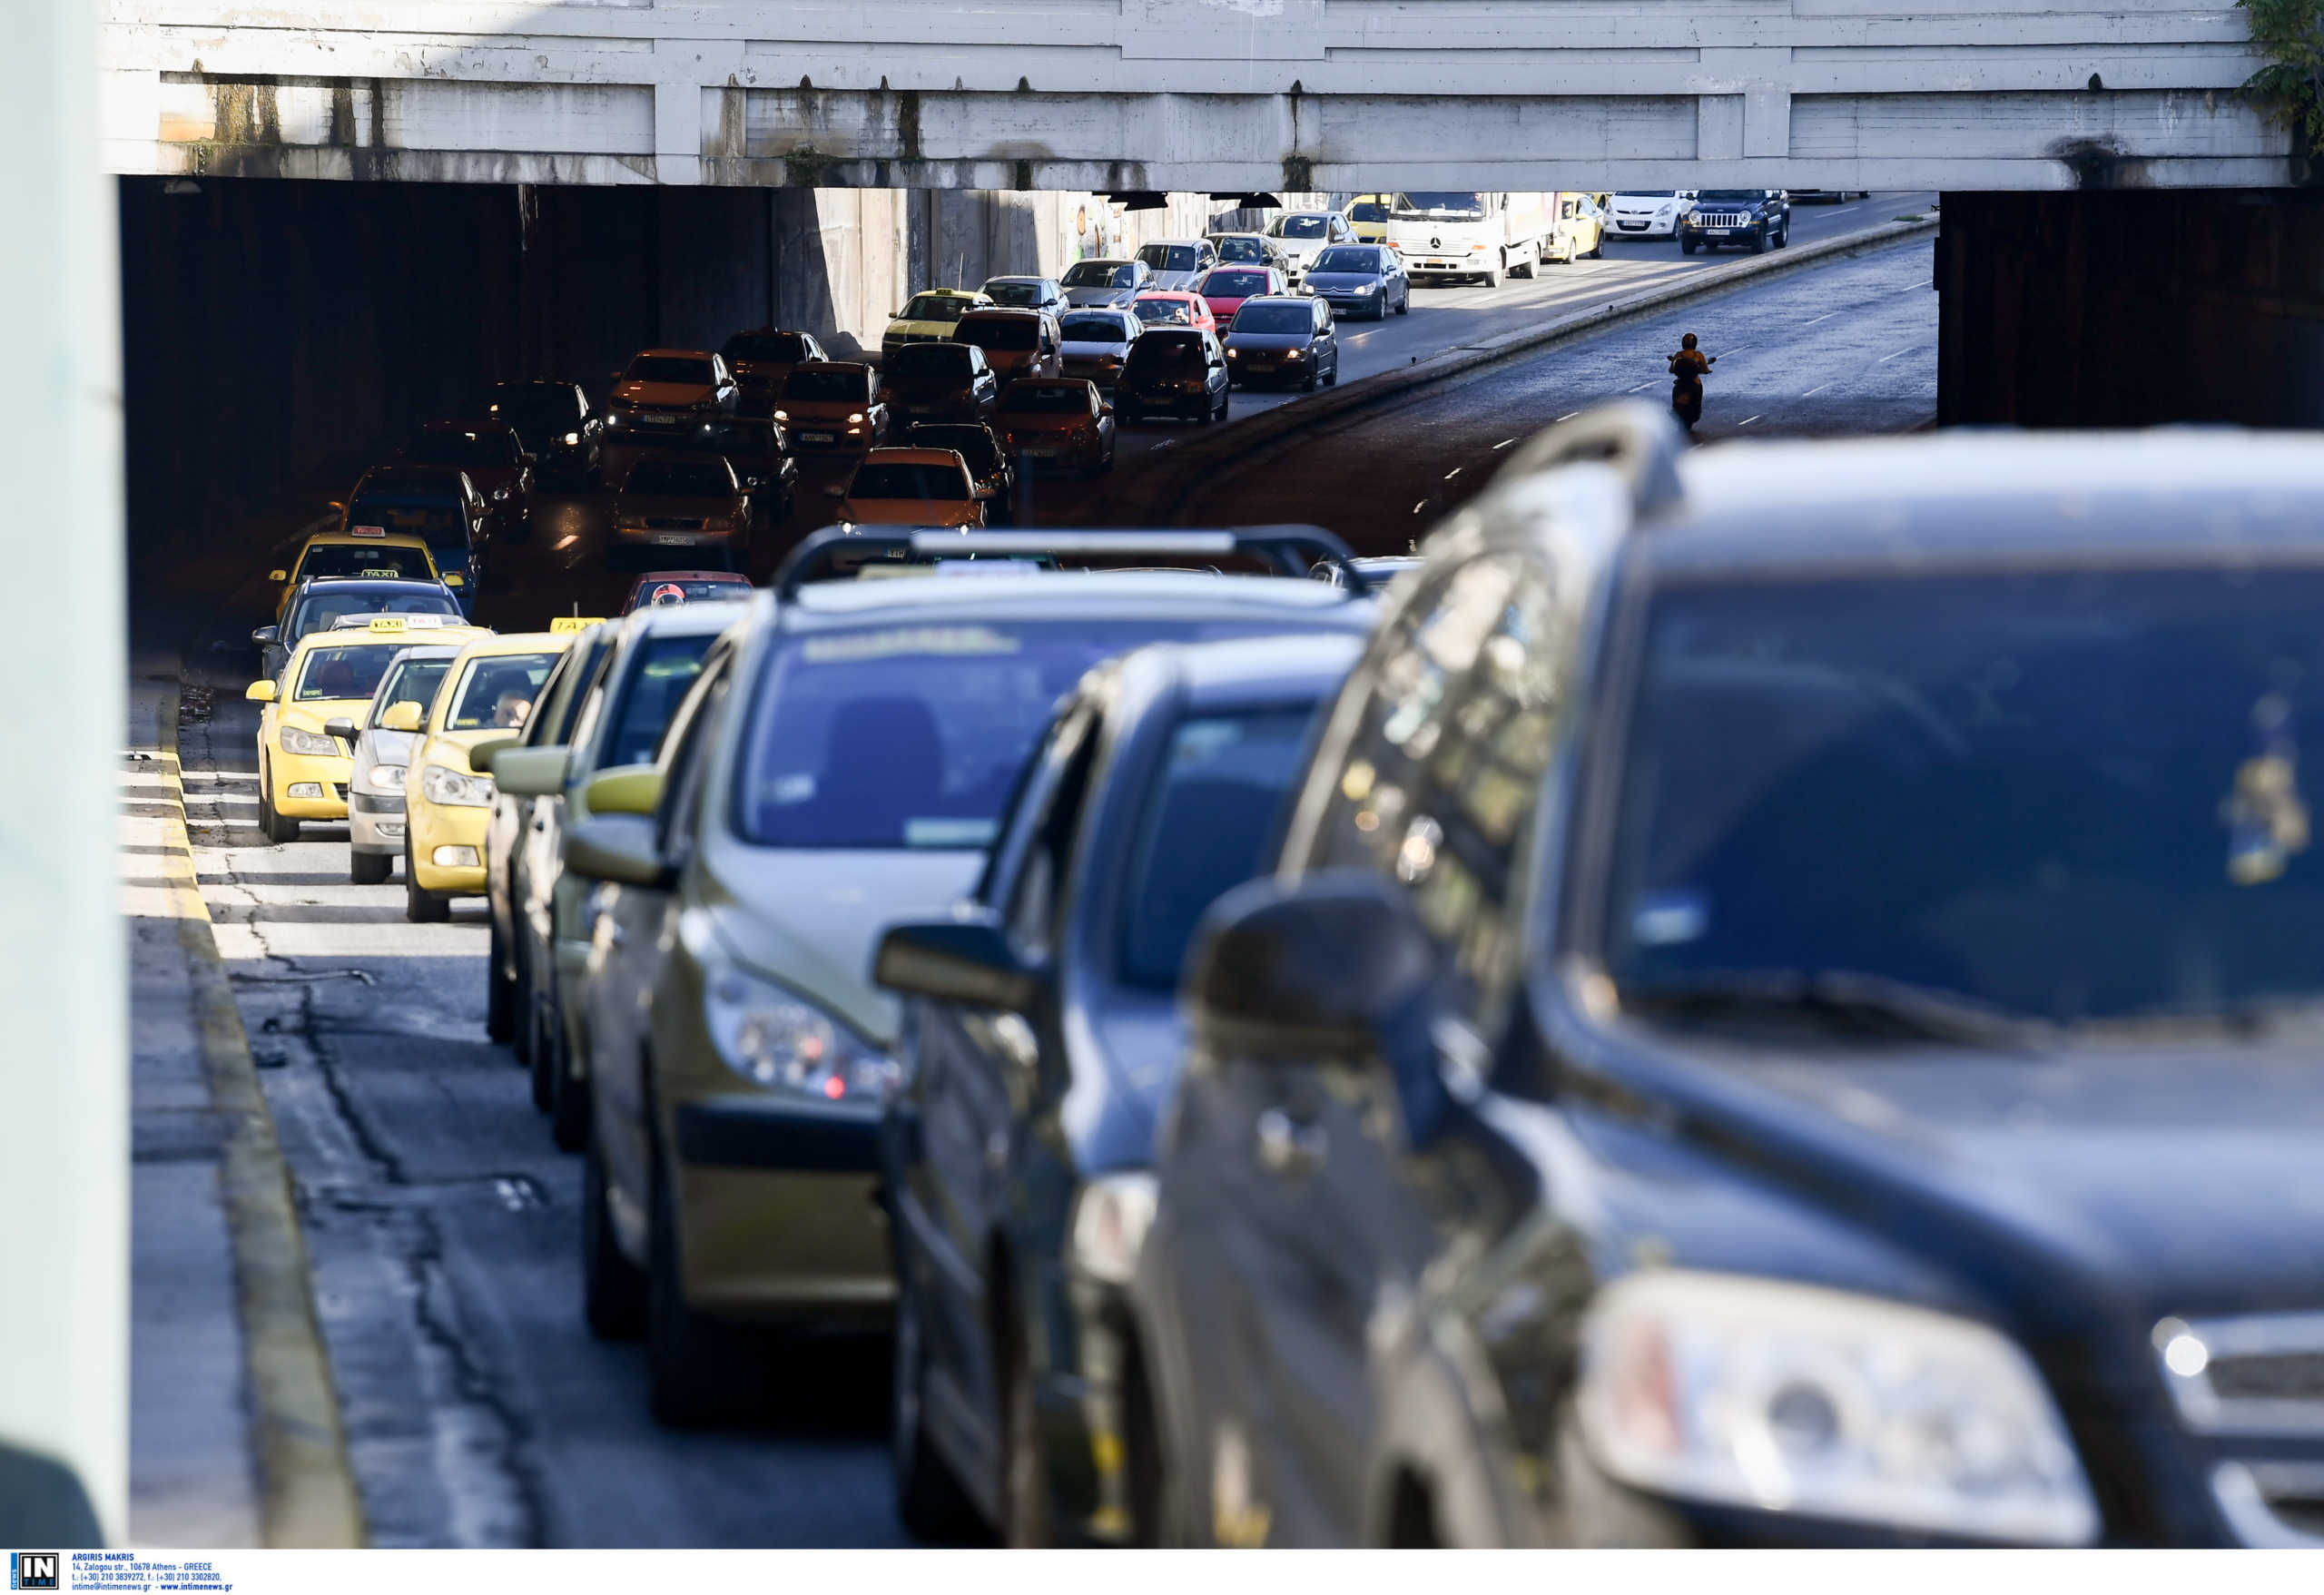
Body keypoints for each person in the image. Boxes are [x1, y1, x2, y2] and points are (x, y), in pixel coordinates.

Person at [1668, 332, 1715, 431]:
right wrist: (1706, 371)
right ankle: (1695, 410)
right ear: (1695, 343)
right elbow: (1705, 369)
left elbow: (1671, 370)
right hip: (1694, 383)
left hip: (1681, 383)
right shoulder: (1698, 355)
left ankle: (1674, 410)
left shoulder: (1678, 354)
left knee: (1675, 393)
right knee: (1697, 401)